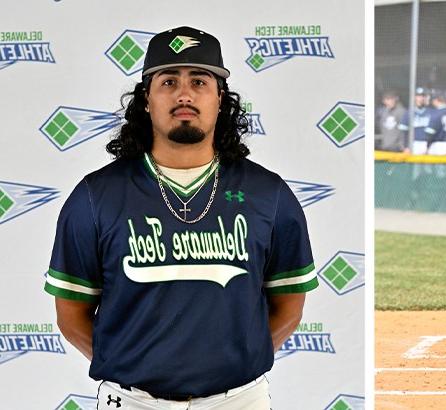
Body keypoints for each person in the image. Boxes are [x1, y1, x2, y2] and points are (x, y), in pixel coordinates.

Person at [44, 26, 318, 409]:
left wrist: (236, 363)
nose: (184, 94)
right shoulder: (96, 196)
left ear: (221, 98)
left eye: (200, 81)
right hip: (131, 399)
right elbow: (71, 314)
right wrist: (130, 367)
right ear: (146, 100)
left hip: (238, 400)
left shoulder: (267, 194)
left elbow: (290, 303)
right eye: (168, 81)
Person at [398, 87, 433, 154]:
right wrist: (405, 147)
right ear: (414, 98)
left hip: (428, 144)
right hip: (414, 143)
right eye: (418, 96)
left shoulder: (432, 112)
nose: (420, 99)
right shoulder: (408, 112)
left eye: (423, 96)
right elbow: (403, 132)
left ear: (426, 98)